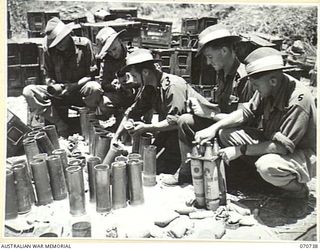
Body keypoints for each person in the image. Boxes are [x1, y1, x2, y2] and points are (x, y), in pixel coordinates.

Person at [195, 47, 316, 198]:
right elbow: (245, 113)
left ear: (272, 81)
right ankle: (263, 180)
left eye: (256, 85)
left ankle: (298, 190)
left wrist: (240, 150)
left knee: (267, 166)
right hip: (272, 141)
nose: (255, 89)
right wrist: (213, 128)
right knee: (225, 134)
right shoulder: (269, 87)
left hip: (301, 154)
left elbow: (282, 148)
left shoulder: (298, 99)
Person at [163, 24, 254, 185]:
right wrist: (202, 107)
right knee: (185, 120)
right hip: (223, 124)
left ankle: (229, 174)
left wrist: (209, 114)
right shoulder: (221, 73)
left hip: (241, 135)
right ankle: (186, 172)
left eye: (210, 57)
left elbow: (243, 119)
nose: (207, 62)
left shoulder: (244, 78)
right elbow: (222, 108)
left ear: (224, 51)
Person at [113, 48, 218, 174]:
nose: (134, 80)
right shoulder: (150, 88)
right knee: (152, 163)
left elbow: (174, 121)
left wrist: (147, 127)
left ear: (145, 72)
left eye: (135, 76)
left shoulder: (172, 86)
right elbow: (132, 112)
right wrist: (116, 136)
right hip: (173, 131)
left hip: (198, 132)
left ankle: (185, 171)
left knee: (161, 166)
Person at [23, 17, 101, 136]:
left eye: (59, 41)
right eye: (54, 42)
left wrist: (73, 86)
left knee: (94, 88)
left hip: (80, 89)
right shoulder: (49, 50)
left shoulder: (84, 44)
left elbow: (91, 75)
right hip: (59, 92)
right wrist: (53, 85)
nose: (57, 45)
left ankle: (89, 123)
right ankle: (60, 124)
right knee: (29, 91)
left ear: (68, 35)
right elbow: (48, 75)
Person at [94, 26, 138, 118]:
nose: (113, 54)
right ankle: (120, 115)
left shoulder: (136, 54)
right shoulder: (106, 60)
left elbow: (149, 79)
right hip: (120, 94)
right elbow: (103, 83)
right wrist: (112, 85)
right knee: (104, 103)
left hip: (138, 94)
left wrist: (133, 83)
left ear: (119, 40)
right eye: (109, 52)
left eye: (114, 49)